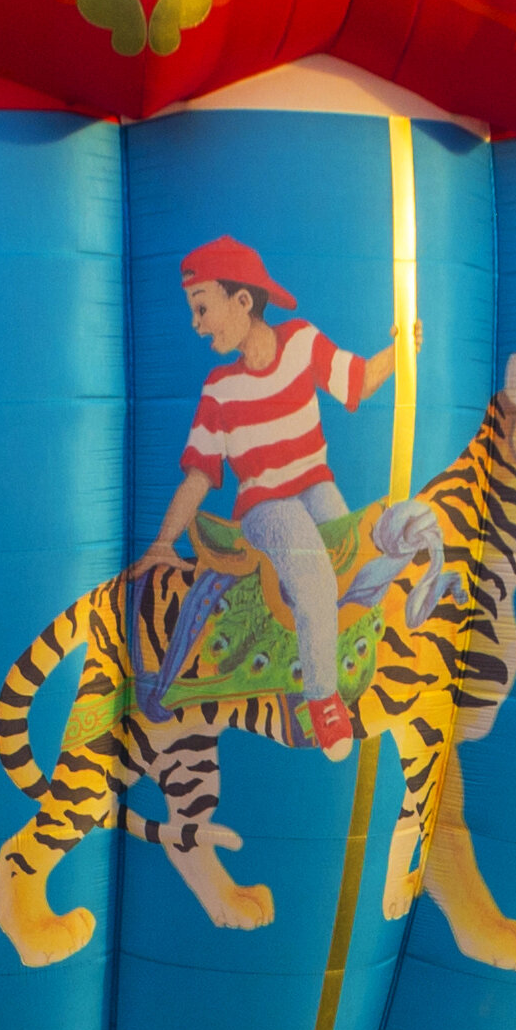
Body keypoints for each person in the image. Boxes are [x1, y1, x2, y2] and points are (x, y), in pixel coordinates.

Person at [139, 238, 416, 751]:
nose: (197, 324)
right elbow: (198, 475)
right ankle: (322, 702)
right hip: (266, 506)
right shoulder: (220, 390)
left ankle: (353, 655)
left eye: (203, 308)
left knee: (356, 553)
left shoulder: (302, 343)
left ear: (242, 301)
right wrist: (162, 541)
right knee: (312, 574)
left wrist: (402, 351)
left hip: (316, 485)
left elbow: (357, 382)